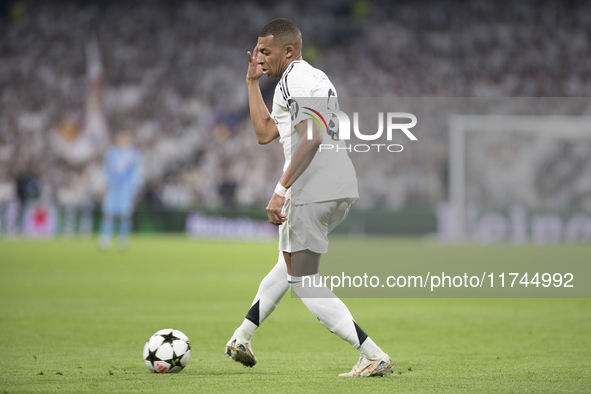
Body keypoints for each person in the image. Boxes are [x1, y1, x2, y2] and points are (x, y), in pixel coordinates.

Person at [225, 18, 393, 378]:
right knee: (288, 265)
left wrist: (280, 189)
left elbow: (312, 136)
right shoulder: (306, 78)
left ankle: (372, 353)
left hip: (312, 185)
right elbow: (265, 132)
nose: (259, 58)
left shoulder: (296, 78)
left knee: (303, 280)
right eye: (257, 52)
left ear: (289, 50)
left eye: (265, 52)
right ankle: (242, 337)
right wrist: (252, 83)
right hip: (335, 183)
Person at [98, 130, 143, 250]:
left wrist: (136, 189)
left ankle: (123, 239)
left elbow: (136, 173)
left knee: (125, 215)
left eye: (125, 139)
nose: (122, 141)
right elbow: (106, 171)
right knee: (108, 214)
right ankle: (105, 238)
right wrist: (103, 186)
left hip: (126, 190)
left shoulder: (133, 154)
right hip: (113, 188)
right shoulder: (111, 153)